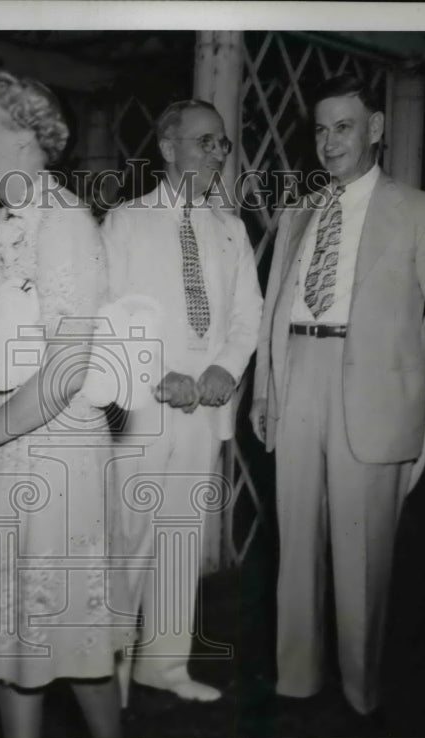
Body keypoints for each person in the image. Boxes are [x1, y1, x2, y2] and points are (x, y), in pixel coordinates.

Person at [251, 73, 425, 719]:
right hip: (298, 375)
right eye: (321, 130)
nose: (329, 142)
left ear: (375, 128)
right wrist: (266, 393)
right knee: (295, 544)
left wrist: (397, 370)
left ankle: (359, 693)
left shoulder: (422, 211)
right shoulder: (298, 213)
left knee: (361, 553)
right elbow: (273, 312)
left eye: (344, 127)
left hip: (369, 388)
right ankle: (296, 682)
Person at [0, 70, 120, 738]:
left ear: (25, 139)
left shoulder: (65, 224)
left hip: (58, 457)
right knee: (11, 637)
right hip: (4, 450)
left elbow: (66, 370)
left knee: (72, 636)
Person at [100, 99, 263, 704]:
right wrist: (155, 372)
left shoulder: (230, 229)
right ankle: (109, 672)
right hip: (142, 406)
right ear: (169, 148)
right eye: (205, 142)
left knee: (181, 537)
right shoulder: (126, 221)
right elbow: (107, 312)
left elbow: (247, 315)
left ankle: (164, 666)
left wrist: (224, 368)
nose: (218, 153)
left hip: (204, 409)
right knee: (128, 537)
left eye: (222, 143)